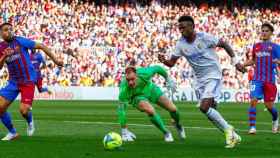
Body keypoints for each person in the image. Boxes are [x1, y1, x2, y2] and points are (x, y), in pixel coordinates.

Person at [158, 15, 244, 148]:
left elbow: (224, 44)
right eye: (179, 28)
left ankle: (229, 131)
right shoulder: (180, 44)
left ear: (192, 26)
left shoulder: (205, 38)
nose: (181, 30)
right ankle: (234, 136)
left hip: (213, 76)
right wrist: (164, 60)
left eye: (183, 27)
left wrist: (235, 62)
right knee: (209, 110)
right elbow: (171, 63)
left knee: (204, 107)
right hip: (198, 80)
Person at [0, 22, 63, 140]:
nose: (9, 31)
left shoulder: (20, 41)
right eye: (5, 30)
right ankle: (13, 133)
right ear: (1, 34)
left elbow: (41, 46)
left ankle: (30, 121)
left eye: (10, 29)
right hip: (13, 81)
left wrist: (55, 60)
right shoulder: (1, 47)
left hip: (28, 80)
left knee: (23, 111)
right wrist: (4, 56)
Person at [118, 65, 185, 142]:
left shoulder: (144, 73)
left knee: (173, 109)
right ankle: (166, 132)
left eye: (132, 79)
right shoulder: (123, 89)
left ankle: (177, 124)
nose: (130, 82)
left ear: (137, 75)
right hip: (137, 97)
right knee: (150, 110)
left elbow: (158, 68)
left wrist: (168, 79)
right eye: (128, 80)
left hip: (151, 89)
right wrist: (124, 130)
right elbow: (121, 110)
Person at [241, 22, 280, 134]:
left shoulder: (276, 47)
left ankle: (275, 119)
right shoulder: (256, 46)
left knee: (269, 106)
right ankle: (252, 127)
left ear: (271, 33)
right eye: (262, 30)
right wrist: (242, 64)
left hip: (269, 80)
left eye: (266, 31)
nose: (264, 32)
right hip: (257, 79)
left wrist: (278, 62)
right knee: (253, 101)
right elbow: (253, 60)